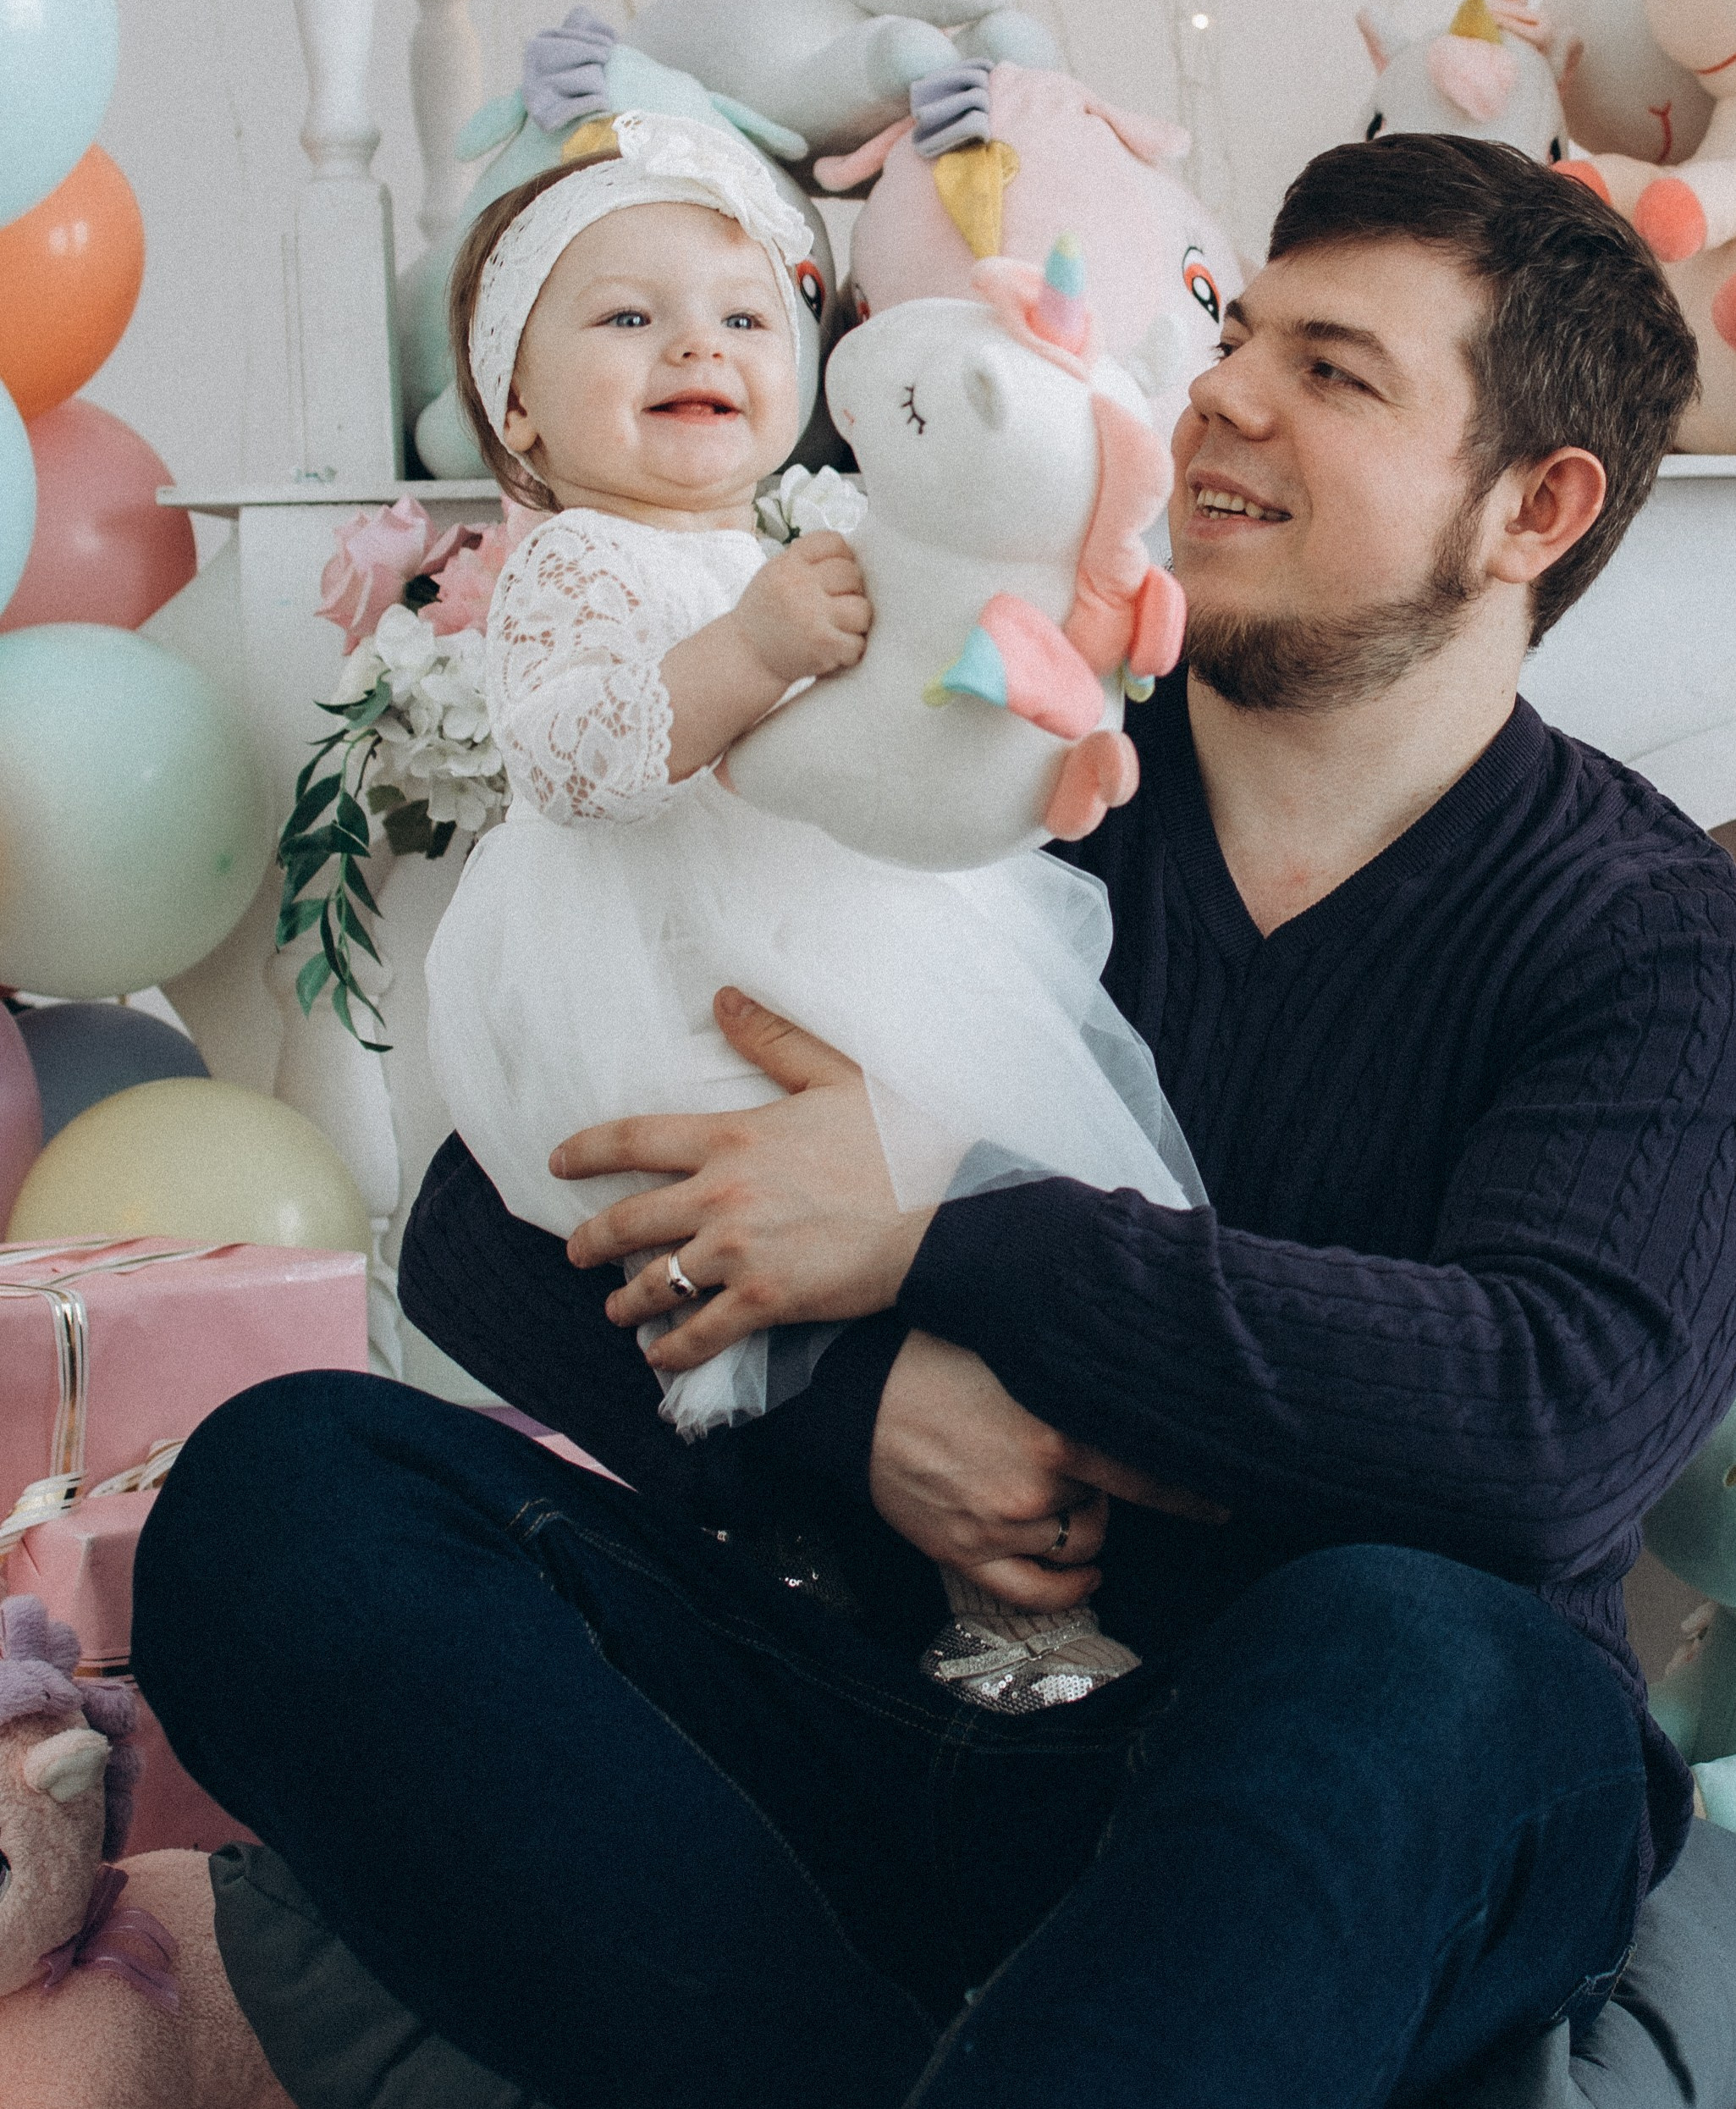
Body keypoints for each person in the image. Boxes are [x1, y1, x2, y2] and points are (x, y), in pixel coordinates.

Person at [133, 134, 1736, 2109]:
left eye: (1335, 369)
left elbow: (1547, 1428)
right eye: (1237, 327)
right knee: (282, 1492)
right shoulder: (960, 769)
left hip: (1341, 1790)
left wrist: (950, 1219)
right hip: (870, 1716)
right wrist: (853, 1401)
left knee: (1417, 1638)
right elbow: (490, 1224)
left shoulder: (1651, 931)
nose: (1220, 388)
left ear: (1534, 507)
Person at [423, 105, 1188, 1694]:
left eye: (746, 314)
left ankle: (1024, 1601)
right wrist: (759, 647)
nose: (694, 343)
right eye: (626, 318)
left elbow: (894, 704)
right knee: (752, 1257)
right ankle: (819, 1560)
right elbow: (578, 753)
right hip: (659, 974)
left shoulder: (808, 526)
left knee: (963, 1200)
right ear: (519, 411)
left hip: (860, 939)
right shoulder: (582, 564)